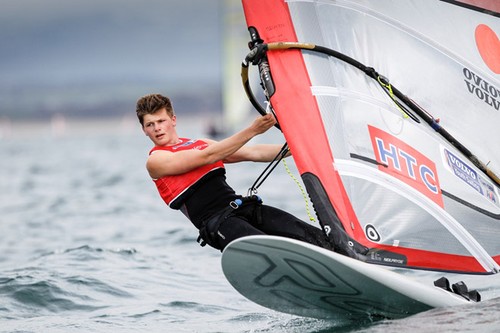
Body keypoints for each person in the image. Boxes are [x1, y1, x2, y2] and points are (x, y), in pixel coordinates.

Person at [136, 93, 335, 252]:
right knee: (272, 249)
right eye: (150, 125)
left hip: (242, 208)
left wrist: (302, 147)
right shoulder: (156, 161)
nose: (157, 128)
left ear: (173, 120)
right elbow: (208, 157)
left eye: (160, 121)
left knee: (313, 236)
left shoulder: (201, 144)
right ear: (144, 130)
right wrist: (252, 130)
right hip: (220, 224)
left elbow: (253, 152)